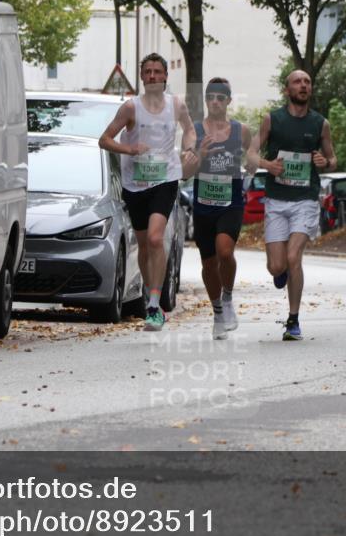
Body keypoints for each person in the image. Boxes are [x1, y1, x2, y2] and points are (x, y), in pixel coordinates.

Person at [99, 53, 197, 331]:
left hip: (165, 179)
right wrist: (128, 149)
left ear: (166, 76)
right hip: (135, 183)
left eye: (157, 72)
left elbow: (189, 131)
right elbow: (104, 140)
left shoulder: (176, 105)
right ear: (142, 77)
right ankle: (149, 295)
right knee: (144, 245)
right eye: (148, 72)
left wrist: (189, 149)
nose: (153, 76)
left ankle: (154, 305)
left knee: (156, 238)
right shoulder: (130, 108)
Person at [248, 70, 336, 341]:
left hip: (305, 200)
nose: (303, 85)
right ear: (287, 90)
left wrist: (325, 162)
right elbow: (250, 154)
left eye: (307, 82)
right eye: (297, 82)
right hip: (276, 200)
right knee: (276, 266)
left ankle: (293, 320)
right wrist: (267, 165)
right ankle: (281, 273)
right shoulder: (271, 119)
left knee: (293, 257)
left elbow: (332, 160)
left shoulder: (320, 124)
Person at [181, 78, 254, 340]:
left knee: (225, 251)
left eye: (220, 97)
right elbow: (184, 172)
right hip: (204, 203)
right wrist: (199, 154)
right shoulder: (194, 131)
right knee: (209, 263)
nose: (215, 101)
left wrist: (255, 165)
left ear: (228, 101)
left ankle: (228, 297)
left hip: (231, 201)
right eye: (210, 97)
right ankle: (218, 312)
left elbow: (254, 154)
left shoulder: (241, 130)